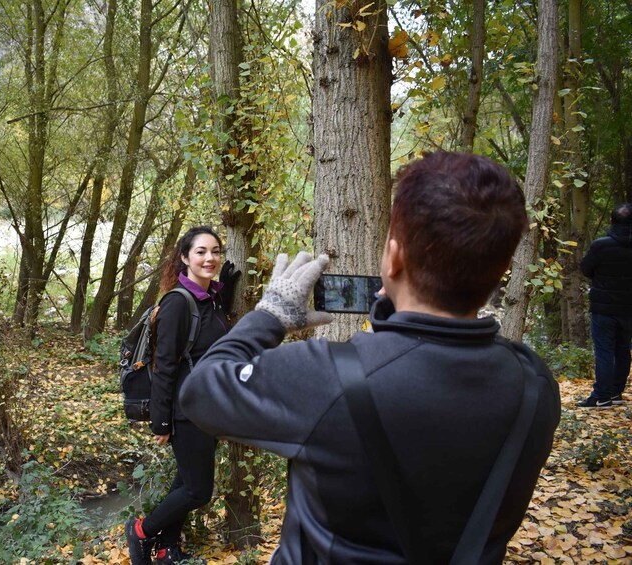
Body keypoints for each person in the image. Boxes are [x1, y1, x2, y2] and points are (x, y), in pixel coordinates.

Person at [180, 152, 561, 563]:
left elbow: (202, 389)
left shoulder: (326, 378)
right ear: (502, 267)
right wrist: (396, 317)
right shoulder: (534, 384)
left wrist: (270, 314)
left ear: (394, 257)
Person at [125, 226, 239, 565]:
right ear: (185, 258)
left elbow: (209, 332)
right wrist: (161, 420)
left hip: (207, 406)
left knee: (184, 481)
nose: (210, 258)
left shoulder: (210, 298)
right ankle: (142, 531)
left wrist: (227, 290)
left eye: (215, 251)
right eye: (201, 252)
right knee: (198, 490)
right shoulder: (177, 302)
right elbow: (164, 366)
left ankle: (167, 550)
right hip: (184, 410)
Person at [577, 203, 632, 408]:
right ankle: (616, 393)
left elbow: (585, 269)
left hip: (604, 309)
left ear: (611, 221)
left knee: (604, 351)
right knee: (623, 349)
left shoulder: (601, 245)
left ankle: (601, 396)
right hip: (628, 309)